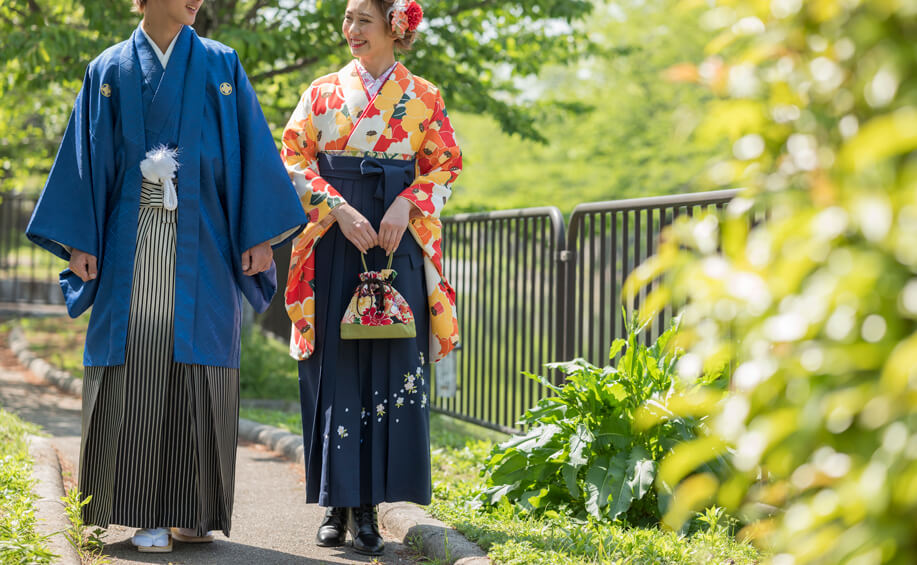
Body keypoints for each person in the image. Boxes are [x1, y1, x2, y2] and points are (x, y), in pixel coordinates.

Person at [25, 0, 306, 553]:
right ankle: (143, 511)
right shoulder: (108, 69)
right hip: (131, 237)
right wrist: (81, 239)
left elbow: (251, 152)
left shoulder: (222, 66)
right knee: (140, 359)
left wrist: (258, 236)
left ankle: (192, 507)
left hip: (205, 239)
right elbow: (86, 159)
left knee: (200, 360)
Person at [281, 0, 461, 555]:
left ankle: (372, 511)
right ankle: (337, 502)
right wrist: (336, 208)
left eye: (362, 19)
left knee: (389, 361)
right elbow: (291, 158)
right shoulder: (321, 93)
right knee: (336, 365)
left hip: (394, 235)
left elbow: (446, 165)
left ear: (394, 25)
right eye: (348, 18)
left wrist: (407, 204)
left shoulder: (424, 96)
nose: (350, 30)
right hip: (339, 235)